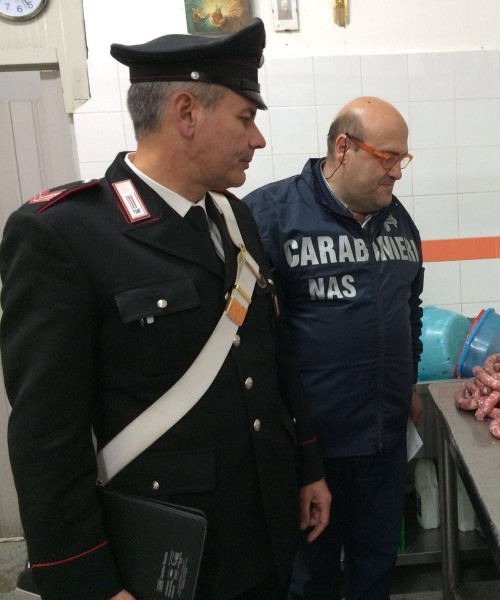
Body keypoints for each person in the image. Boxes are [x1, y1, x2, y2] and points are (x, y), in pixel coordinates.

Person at [0, 18, 330, 600]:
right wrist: (86, 582)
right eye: (246, 118)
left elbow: (273, 359)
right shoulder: (68, 234)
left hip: (263, 531)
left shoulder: (235, 218)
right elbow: (45, 439)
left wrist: (307, 466)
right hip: (164, 555)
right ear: (185, 113)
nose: (257, 140)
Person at [243, 96, 424, 600]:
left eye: (401, 159)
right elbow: (250, 341)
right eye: (387, 157)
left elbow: (411, 306)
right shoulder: (271, 216)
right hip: (311, 450)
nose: (397, 173)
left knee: (377, 567)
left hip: (383, 444)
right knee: (311, 578)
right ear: (343, 148)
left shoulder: (398, 221)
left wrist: (407, 379)